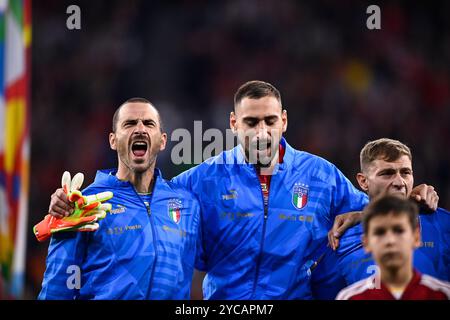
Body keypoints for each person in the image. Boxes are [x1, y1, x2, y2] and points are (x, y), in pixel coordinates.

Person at [46, 82, 438, 300]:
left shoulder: (322, 177)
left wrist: (413, 195)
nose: (262, 130)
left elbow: (380, 210)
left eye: (270, 120)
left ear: (284, 121)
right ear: (234, 123)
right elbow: (141, 196)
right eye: (252, 121)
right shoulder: (198, 182)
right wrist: (63, 207)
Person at [38, 98, 201, 299]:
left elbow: (222, 260)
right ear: (113, 141)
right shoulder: (84, 203)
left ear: (162, 141)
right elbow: (56, 288)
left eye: (149, 124)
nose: (140, 129)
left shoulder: (188, 204)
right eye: (130, 123)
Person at [332, 138, 450, 287]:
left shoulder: (444, 225)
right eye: (387, 173)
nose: (399, 182)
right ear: (363, 181)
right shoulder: (341, 239)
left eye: (405, 173)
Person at [336, 195, 450, 300]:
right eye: (380, 233)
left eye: (398, 230)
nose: (390, 240)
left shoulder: (444, 294)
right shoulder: (349, 297)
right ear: (366, 243)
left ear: (416, 237)